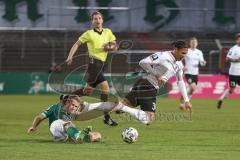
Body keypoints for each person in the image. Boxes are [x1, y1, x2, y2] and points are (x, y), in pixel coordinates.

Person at [113, 41, 192, 125]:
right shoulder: (163, 56)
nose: (184, 56)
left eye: (186, 54)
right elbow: (143, 62)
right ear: (175, 49)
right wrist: (156, 74)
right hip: (148, 85)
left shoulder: (179, 65)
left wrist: (186, 100)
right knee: (148, 118)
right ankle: (123, 108)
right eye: (182, 53)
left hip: (146, 85)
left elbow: (180, 81)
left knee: (119, 106)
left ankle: (105, 115)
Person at [66, 11, 118, 126]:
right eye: (95, 19)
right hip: (93, 64)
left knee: (87, 91)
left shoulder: (108, 32)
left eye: (99, 18)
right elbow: (76, 44)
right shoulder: (88, 34)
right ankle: (106, 116)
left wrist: (110, 46)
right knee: (105, 88)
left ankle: (67, 97)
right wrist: (70, 56)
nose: (97, 20)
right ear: (92, 21)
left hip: (102, 65)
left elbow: (115, 46)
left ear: (102, 20)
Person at [27, 95, 103, 143]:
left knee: (98, 135)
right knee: (66, 124)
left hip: (67, 134)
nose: (73, 107)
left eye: (75, 106)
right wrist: (34, 126)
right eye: (72, 105)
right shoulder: (55, 108)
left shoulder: (72, 112)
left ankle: (81, 138)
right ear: (68, 102)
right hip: (56, 129)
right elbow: (40, 117)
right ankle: (77, 136)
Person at [180, 37, 206, 106]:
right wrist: (182, 67)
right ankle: (185, 100)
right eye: (192, 43)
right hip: (188, 72)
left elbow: (201, 62)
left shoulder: (199, 52)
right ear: (190, 44)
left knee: (192, 90)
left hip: (195, 73)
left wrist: (203, 62)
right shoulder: (186, 51)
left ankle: (183, 103)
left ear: (197, 44)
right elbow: (179, 59)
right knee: (193, 87)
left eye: (195, 42)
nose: (194, 44)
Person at [217, 33, 240, 109]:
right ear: (237, 40)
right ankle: (221, 99)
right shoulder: (233, 49)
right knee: (231, 89)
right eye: (239, 39)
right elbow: (227, 59)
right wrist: (236, 60)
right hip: (233, 73)